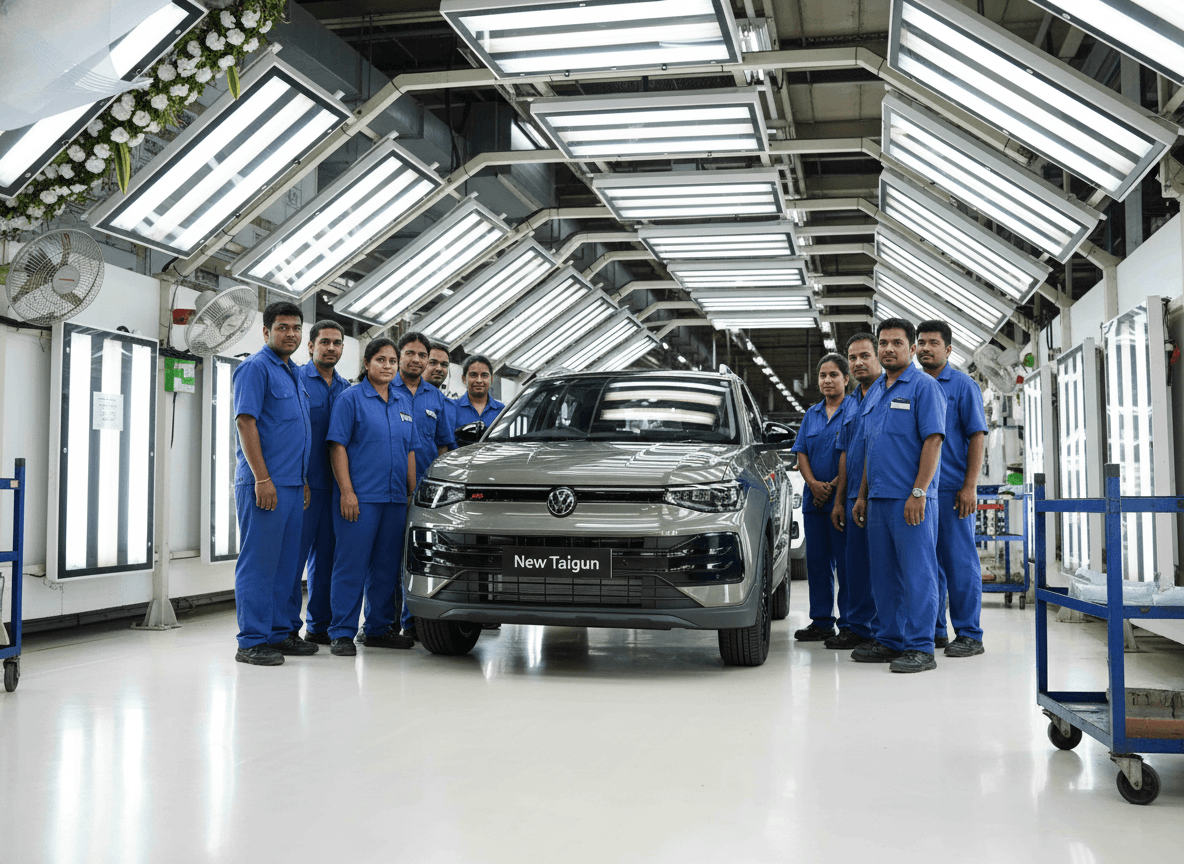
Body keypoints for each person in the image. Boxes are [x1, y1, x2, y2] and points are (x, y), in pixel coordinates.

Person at [852, 318, 946, 673]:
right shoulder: (875, 391)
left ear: (911, 348)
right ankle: (890, 639)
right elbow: (870, 447)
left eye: (897, 343)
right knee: (884, 575)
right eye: (883, 343)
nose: (888, 349)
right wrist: (862, 495)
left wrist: (919, 491)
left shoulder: (924, 387)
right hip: (878, 499)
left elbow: (933, 441)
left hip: (912, 499)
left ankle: (921, 646)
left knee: (918, 573)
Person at [231, 301, 315, 666]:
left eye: (296, 328)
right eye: (283, 327)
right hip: (265, 485)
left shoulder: (293, 372)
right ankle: (251, 640)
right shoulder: (254, 368)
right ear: (266, 332)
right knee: (259, 564)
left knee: (287, 565)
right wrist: (262, 478)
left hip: (293, 485)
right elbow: (245, 423)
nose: (290, 334)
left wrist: (303, 480)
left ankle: (280, 633)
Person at [324, 338, 417, 656]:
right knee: (351, 564)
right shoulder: (350, 399)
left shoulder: (403, 402)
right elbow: (337, 446)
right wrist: (347, 492)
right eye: (380, 359)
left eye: (392, 361)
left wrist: (412, 493)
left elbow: (410, 451)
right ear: (366, 363)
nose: (387, 366)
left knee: (386, 567)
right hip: (360, 499)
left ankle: (378, 628)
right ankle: (341, 632)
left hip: (394, 499)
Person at [917, 320, 988, 658]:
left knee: (959, 561)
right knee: (929, 563)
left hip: (951, 490)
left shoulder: (962, 385)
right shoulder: (913, 385)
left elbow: (977, 436)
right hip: (920, 491)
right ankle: (935, 630)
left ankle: (970, 633)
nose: (925, 348)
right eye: (921, 342)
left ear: (947, 349)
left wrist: (969, 486)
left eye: (933, 342)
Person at [287, 320, 350, 645]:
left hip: (335, 488)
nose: (331, 348)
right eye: (324, 342)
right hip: (303, 485)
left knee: (327, 559)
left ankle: (319, 626)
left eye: (336, 343)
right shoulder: (296, 379)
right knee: (293, 559)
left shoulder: (347, 389)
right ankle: (286, 628)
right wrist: (298, 477)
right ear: (311, 346)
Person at [393, 331, 456, 640]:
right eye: (411, 354)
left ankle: (412, 623)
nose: (416, 360)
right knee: (385, 558)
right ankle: (381, 623)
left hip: (425, 492)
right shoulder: (386, 388)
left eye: (422, 355)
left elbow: (443, 445)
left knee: (418, 558)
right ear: (399, 356)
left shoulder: (435, 397)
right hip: (389, 486)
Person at [790, 354, 853, 643]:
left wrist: (834, 486)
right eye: (822, 375)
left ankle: (850, 622)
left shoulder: (855, 410)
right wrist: (814, 484)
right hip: (814, 503)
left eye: (834, 375)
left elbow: (854, 453)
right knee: (817, 563)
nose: (827, 380)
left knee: (847, 564)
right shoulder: (811, 414)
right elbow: (801, 452)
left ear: (846, 379)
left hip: (844, 500)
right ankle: (821, 621)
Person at [829, 333, 883, 651]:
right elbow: (845, 452)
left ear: (878, 357)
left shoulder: (889, 395)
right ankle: (859, 626)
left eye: (865, 355)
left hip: (882, 494)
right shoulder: (849, 405)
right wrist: (839, 501)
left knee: (884, 566)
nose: (858, 362)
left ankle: (884, 629)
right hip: (852, 498)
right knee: (855, 567)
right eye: (852, 358)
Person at [452, 353, 505, 431]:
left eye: (484, 375)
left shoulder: (501, 411)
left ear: (491, 379)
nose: (479, 380)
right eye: (473, 375)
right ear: (464, 379)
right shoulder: (452, 408)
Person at [424, 343, 458, 447]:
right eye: (433, 363)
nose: (439, 368)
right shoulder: (405, 399)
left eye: (444, 365)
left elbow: (445, 446)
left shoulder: (451, 407)